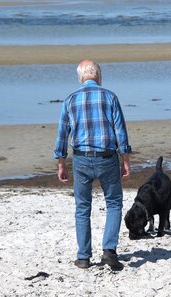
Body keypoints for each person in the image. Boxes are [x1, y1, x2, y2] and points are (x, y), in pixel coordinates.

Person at [54, 60, 132, 270]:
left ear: (81, 78)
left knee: (82, 207)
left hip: (81, 158)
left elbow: (62, 134)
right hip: (106, 157)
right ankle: (108, 250)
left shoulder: (70, 100)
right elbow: (120, 132)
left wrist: (61, 162)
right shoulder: (110, 97)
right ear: (98, 76)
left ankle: (83, 256)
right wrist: (125, 159)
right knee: (114, 203)